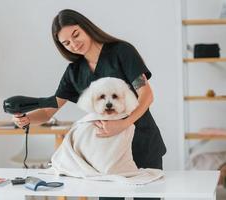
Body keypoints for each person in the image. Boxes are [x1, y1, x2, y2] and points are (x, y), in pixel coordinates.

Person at [13, 9, 166, 200]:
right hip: (105, 155)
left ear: (86, 27)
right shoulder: (74, 71)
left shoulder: (121, 51)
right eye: (66, 43)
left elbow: (147, 95)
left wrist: (123, 123)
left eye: (76, 35)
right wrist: (26, 119)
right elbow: (47, 112)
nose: (74, 44)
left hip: (142, 143)